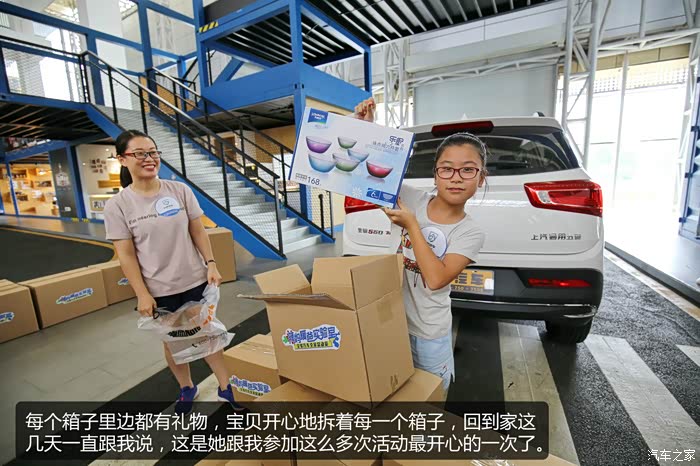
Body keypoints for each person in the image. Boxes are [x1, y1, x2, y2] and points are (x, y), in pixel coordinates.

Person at [103, 129, 243, 412]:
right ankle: (187, 387)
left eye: (153, 152)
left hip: (195, 280)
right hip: (159, 290)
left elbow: (198, 230)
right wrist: (142, 294)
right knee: (174, 342)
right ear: (122, 159)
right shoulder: (118, 205)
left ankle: (226, 387)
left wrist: (211, 264)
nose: (149, 158)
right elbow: (126, 255)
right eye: (139, 153)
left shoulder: (179, 190)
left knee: (207, 334)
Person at [354, 98, 487, 393]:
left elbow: (436, 278)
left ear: (481, 178)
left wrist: (413, 226)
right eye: (446, 169)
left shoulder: (469, 232)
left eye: (468, 170)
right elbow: (366, 175)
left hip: (429, 333)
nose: (456, 178)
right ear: (435, 174)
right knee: (395, 392)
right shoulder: (412, 198)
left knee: (430, 397)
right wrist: (366, 129)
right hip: (392, 321)